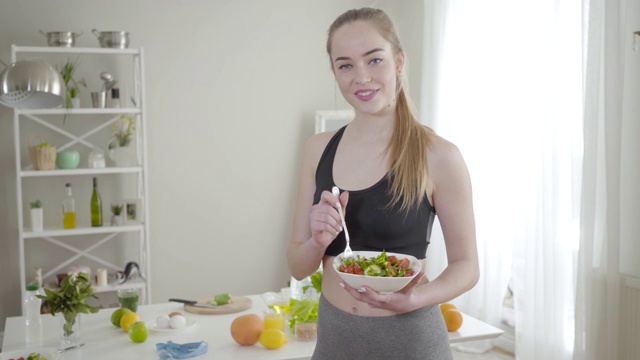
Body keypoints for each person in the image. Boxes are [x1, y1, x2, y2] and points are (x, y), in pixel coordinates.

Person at [287, 7, 479, 359]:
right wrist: (317, 241)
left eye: (374, 60)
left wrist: (414, 298)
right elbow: (298, 266)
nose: (361, 77)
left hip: (411, 343)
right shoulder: (318, 149)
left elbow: (467, 266)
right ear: (334, 72)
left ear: (399, 61)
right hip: (335, 342)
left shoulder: (439, 155)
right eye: (345, 65)